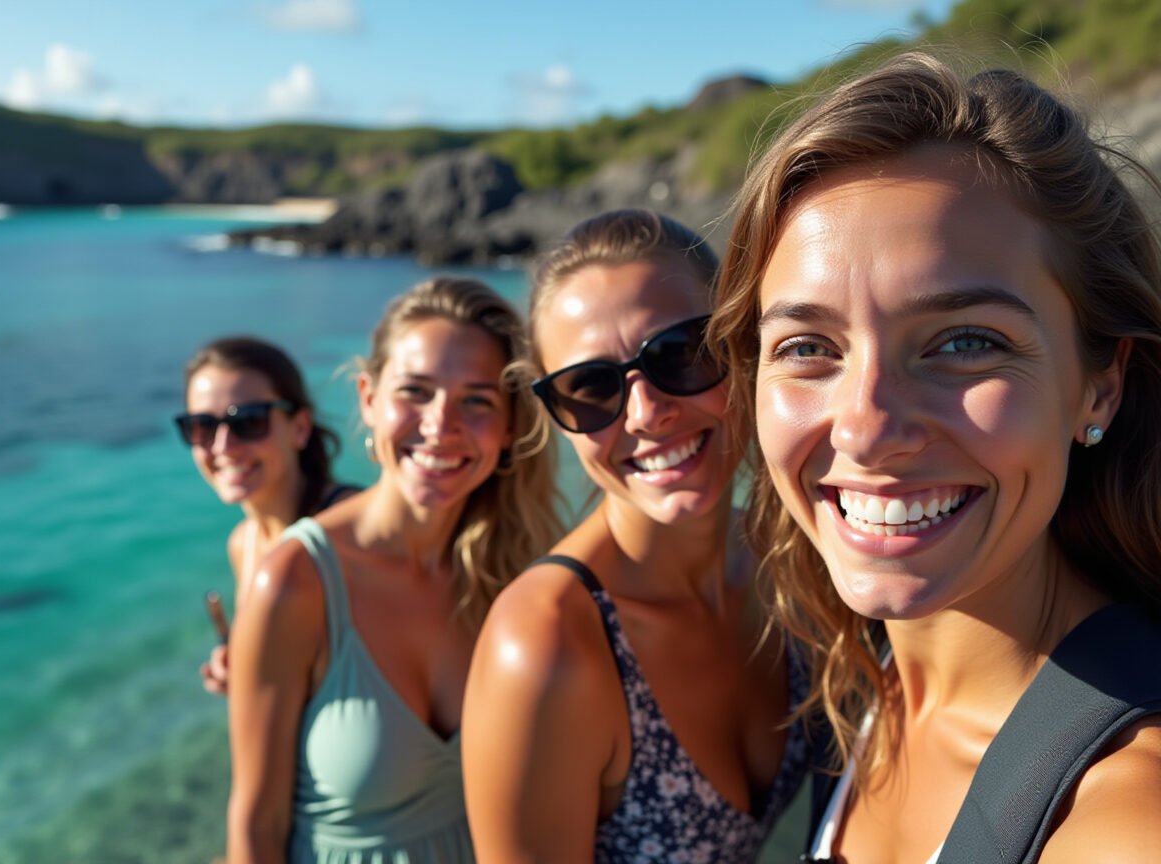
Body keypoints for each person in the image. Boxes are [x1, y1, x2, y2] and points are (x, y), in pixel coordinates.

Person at [708, 53, 1161, 862]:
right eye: (808, 346)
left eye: (965, 342)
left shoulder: (1126, 817)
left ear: (1101, 384)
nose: (866, 429)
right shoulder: (857, 690)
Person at [463, 209, 811, 863]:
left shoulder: (791, 560)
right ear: (558, 417)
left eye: (680, 353)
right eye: (589, 387)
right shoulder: (545, 645)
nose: (647, 412)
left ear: (739, 341)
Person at [225, 277, 563, 863]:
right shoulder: (295, 582)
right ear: (368, 399)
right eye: (416, 391)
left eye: (477, 400)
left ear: (510, 426)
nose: (440, 425)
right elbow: (256, 824)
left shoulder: (520, 574)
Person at [178, 337, 357, 695]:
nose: (223, 446)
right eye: (202, 426)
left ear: (300, 427)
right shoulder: (243, 544)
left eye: (249, 421)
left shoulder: (352, 531)